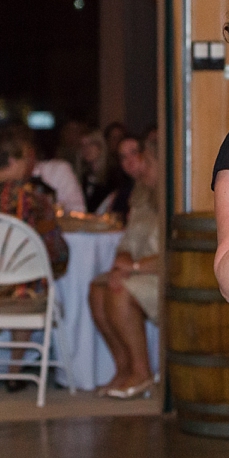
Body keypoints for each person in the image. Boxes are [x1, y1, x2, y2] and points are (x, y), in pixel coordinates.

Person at [0, 128, 69, 392]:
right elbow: (56, 253)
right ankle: (14, 371)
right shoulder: (33, 200)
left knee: (25, 275)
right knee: (32, 277)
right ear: (11, 160)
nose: (29, 165)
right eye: (25, 159)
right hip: (25, 298)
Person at [89, 137, 160, 399]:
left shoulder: (175, 195)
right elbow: (130, 239)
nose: (140, 167)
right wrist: (122, 262)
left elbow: (170, 253)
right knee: (98, 288)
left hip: (160, 275)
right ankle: (124, 369)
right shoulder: (140, 192)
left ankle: (142, 372)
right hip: (141, 270)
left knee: (120, 291)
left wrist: (135, 268)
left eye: (146, 161)